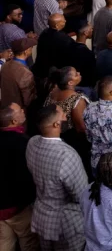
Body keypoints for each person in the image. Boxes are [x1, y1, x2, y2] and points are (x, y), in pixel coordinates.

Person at [26, 104, 89, 251]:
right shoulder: (66, 155)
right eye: (62, 115)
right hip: (65, 224)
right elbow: (81, 194)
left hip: (40, 216)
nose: (66, 117)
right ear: (56, 124)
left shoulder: (32, 142)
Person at [0, 103, 37, 251]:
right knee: (29, 242)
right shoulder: (23, 143)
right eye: (19, 110)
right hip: (18, 207)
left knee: (4, 244)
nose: (23, 110)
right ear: (14, 121)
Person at [0, 37, 36, 110]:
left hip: (5, 106)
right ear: (26, 51)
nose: (32, 49)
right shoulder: (26, 73)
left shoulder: (5, 65)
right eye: (31, 48)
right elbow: (28, 99)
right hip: (18, 109)